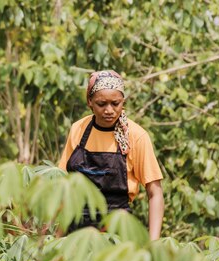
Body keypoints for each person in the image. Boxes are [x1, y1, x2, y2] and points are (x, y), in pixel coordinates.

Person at [58, 70, 164, 240]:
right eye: (102, 104)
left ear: (123, 101)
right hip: (77, 228)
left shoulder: (136, 136)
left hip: (117, 229)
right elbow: (62, 186)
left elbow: (155, 193)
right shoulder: (78, 130)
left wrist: (153, 243)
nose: (109, 110)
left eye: (115, 103)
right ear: (89, 102)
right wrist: (54, 241)